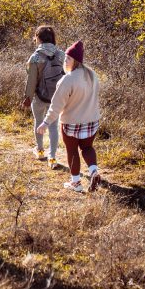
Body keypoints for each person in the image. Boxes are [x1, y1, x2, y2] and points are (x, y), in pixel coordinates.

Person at [36, 40, 106, 193]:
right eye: (65, 57)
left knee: (72, 151)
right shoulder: (92, 75)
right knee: (87, 148)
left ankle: (76, 183)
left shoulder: (67, 80)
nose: (65, 60)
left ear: (76, 60)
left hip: (71, 123)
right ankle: (94, 172)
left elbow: (56, 105)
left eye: (68, 58)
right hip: (92, 121)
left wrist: (45, 123)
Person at [22, 25, 66, 170]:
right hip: (57, 98)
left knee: (39, 121)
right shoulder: (61, 55)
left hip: (39, 97)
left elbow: (32, 80)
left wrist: (28, 96)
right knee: (54, 126)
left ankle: (40, 151)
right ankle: (52, 157)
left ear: (38, 38)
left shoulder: (35, 57)